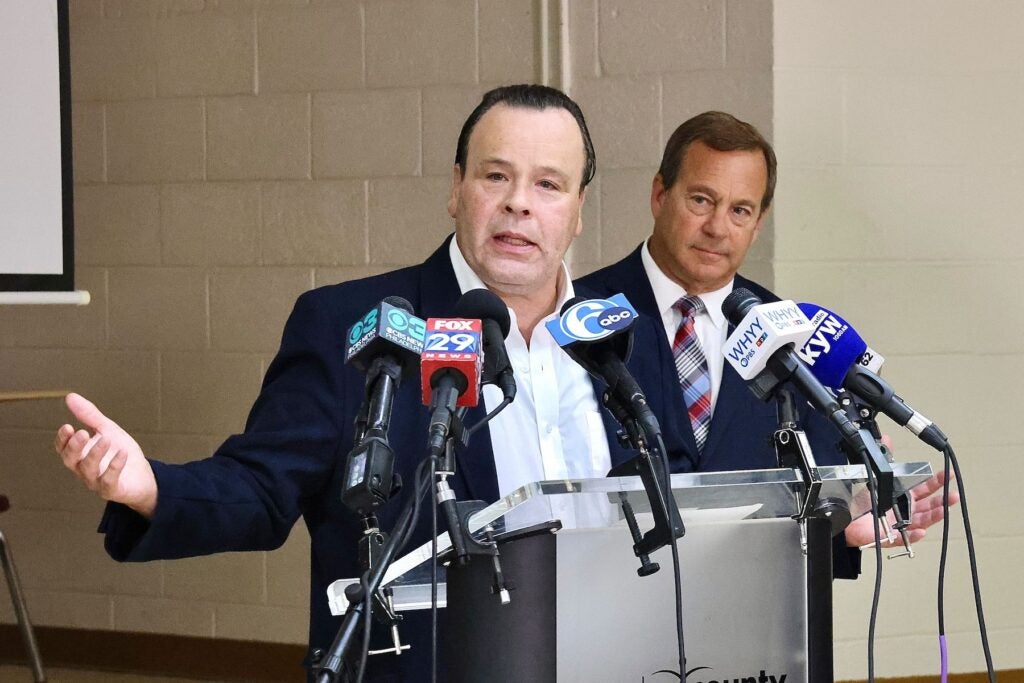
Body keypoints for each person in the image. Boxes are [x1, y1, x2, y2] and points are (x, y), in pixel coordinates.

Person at [53, 84, 633, 682]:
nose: (519, 204)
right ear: (455, 188)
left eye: (548, 184)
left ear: (578, 208)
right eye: (495, 176)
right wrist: (150, 486)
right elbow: (261, 489)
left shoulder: (618, 339)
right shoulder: (350, 326)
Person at [577, 111, 955, 571]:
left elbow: (800, 510)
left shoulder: (795, 337)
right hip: (603, 604)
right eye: (701, 200)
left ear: (758, 222)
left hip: (755, 620)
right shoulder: (577, 315)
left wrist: (842, 531)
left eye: (740, 210)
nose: (718, 227)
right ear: (660, 195)